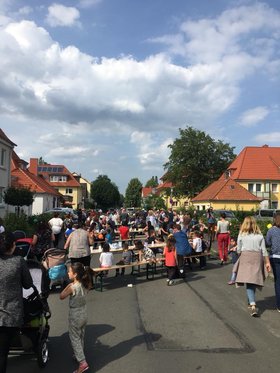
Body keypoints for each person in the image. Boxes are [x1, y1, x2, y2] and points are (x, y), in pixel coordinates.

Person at [0, 232, 33, 373]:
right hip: (9, 314)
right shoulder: (18, 261)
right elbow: (28, 284)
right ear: (13, 245)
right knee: (2, 354)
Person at [60, 262, 93, 373]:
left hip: (75, 315)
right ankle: (79, 354)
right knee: (81, 335)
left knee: (75, 338)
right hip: (84, 312)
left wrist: (68, 286)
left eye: (69, 271)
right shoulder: (85, 283)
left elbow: (61, 296)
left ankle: (82, 363)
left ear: (75, 275)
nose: (68, 273)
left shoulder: (73, 287)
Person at [235, 216, 271, 317]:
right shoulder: (259, 235)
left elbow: (239, 249)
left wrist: (240, 255)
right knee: (253, 280)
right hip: (257, 257)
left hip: (245, 256)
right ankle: (250, 301)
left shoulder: (241, 234)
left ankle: (252, 304)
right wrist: (267, 262)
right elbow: (264, 250)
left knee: (249, 281)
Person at [265, 213, 280, 312]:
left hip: (275, 257)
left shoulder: (271, 230)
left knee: (278, 281)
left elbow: (267, 243)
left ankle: (279, 305)